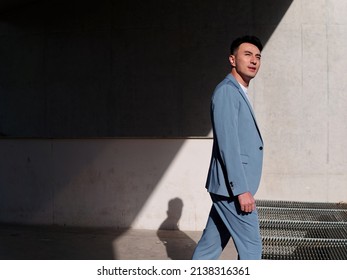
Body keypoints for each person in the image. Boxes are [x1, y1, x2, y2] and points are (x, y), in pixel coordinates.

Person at [192, 35, 264, 260]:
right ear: (232, 60)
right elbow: (228, 145)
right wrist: (241, 189)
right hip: (232, 190)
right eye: (247, 54)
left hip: (227, 188)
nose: (254, 60)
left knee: (209, 247)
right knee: (252, 249)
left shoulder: (238, 91)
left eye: (258, 56)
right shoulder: (227, 91)